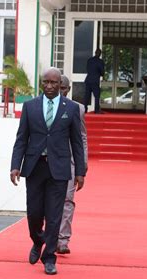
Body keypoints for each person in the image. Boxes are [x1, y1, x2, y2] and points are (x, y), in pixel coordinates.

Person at [10, 67, 86, 275]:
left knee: (54, 215)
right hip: (35, 167)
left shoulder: (70, 108)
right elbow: (21, 138)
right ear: (42, 83)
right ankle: (37, 241)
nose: (50, 87)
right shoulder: (30, 107)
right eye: (47, 82)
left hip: (59, 168)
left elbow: (77, 142)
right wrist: (15, 165)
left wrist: (80, 171)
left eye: (54, 83)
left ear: (60, 84)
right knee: (34, 213)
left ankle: (50, 257)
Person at [56, 75, 88, 255]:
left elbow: (82, 136)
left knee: (67, 201)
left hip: (70, 162)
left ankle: (63, 240)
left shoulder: (78, 109)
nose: (58, 91)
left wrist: (83, 162)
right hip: (49, 162)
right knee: (49, 202)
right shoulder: (42, 106)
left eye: (62, 88)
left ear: (67, 90)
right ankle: (49, 236)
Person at [84, 48, 105, 114]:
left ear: (95, 52)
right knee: (97, 96)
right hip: (95, 81)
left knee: (87, 96)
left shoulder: (90, 60)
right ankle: (96, 110)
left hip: (88, 80)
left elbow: (87, 69)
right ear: (100, 54)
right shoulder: (100, 61)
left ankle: (85, 109)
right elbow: (102, 72)